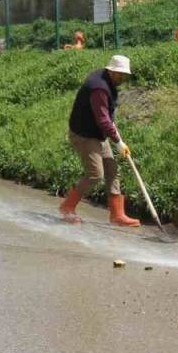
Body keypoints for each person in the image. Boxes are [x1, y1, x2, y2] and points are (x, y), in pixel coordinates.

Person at [59, 55, 140, 227]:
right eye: (120, 74)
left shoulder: (109, 82)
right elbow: (103, 120)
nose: (123, 78)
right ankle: (67, 207)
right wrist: (118, 142)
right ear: (111, 71)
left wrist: (118, 139)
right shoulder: (99, 88)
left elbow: (107, 118)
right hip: (84, 134)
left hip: (97, 133)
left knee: (112, 169)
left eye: (125, 75)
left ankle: (117, 215)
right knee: (95, 174)